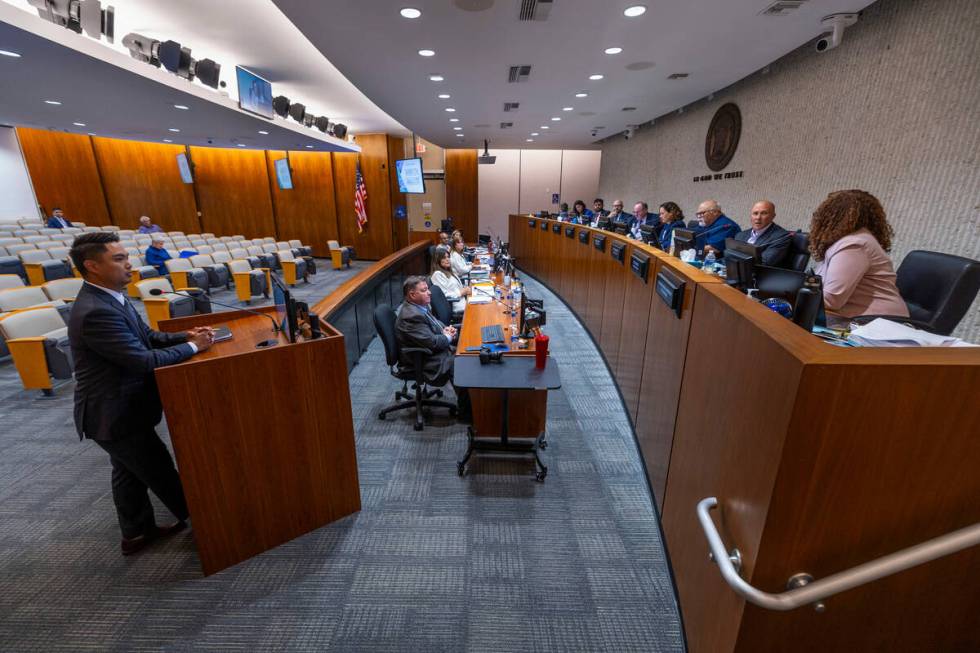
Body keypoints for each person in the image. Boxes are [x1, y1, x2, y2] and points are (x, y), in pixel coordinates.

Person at [67, 232, 214, 555]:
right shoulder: (95, 310)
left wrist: (183, 336)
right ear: (92, 265)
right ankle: (214, 529)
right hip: (114, 414)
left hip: (120, 410)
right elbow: (142, 360)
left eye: (126, 256)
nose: (129, 263)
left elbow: (145, 337)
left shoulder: (111, 296)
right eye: (118, 259)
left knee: (128, 472)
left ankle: (135, 533)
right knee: (160, 472)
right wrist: (193, 347)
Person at [808, 190, 909, 328]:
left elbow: (831, 300)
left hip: (876, 325)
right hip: (855, 319)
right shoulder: (846, 242)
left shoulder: (855, 244)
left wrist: (792, 293)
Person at [396, 275, 469, 418]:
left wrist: (445, 330)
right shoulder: (410, 316)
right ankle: (467, 412)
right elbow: (433, 343)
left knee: (466, 350)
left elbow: (434, 322)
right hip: (423, 359)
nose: (429, 293)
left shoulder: (418, 306)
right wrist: (448, 336)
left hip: (429, 349)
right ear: (412, 294)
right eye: (424, 290)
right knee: (461, 361)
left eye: (427, 289)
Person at [733, 201, 791, 267]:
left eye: (764, 213)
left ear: (773, 216)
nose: (758, 218)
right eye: (755, 213)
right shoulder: (740, 235)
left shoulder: (781, 237)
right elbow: (731, 256)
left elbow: (764, 262)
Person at [430, 246, 471, 317]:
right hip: (456, 304)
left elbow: (455, 287)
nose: (447, 259)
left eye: (448, 257)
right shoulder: (437, 274)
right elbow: (444, 295)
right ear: (437, 260)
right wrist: (461, 292)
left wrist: (466, 289)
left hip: (463, 300)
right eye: (444, 258)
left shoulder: (448, 271)